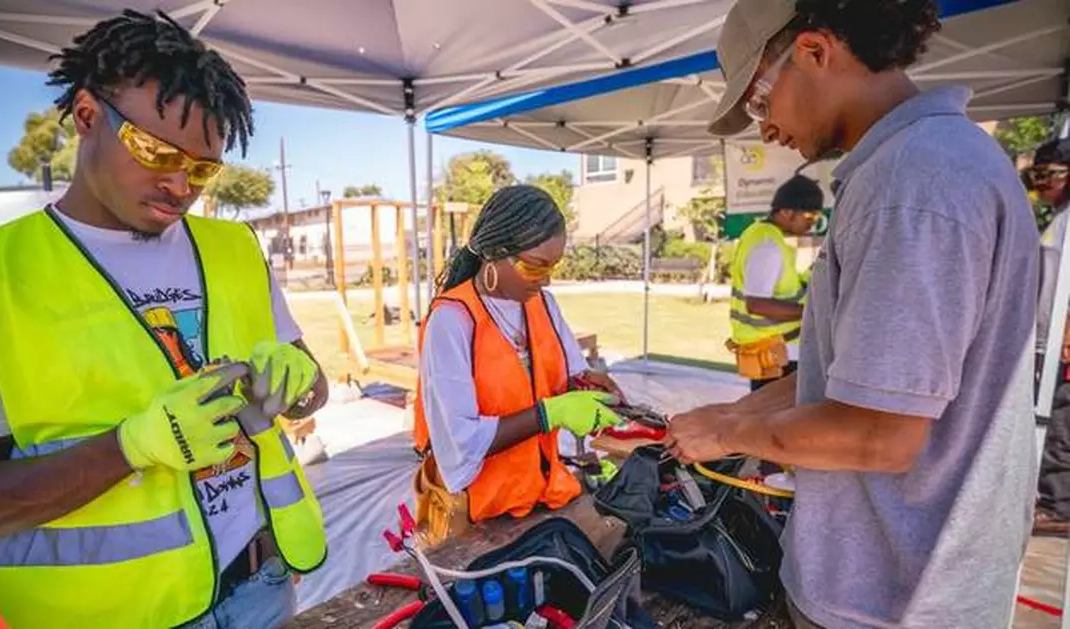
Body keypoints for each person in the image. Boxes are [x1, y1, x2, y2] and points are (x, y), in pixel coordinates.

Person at [0, 10, 329, 629]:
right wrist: (131, 447)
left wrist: (296, 382)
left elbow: (312, 389)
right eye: (155, 151)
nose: (180, 185)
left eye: (203, 168)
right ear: (87, 115)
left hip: (263, 582)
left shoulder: (234, 249)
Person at [664, 1, 1038, 628]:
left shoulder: (913, 186)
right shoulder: (925, 165)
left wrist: (728, 437)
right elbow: (848, 377)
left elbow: (878, 434)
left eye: (758, 102)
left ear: (813, 52)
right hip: (893, 584)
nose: (766, 131)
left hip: (892, 600)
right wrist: (732, 413)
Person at [413, 185, 623, 534]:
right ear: (494, 255)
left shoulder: (544, 305)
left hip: (543, 500)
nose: (545, 280)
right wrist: (550, 413)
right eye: (534, 267)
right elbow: (461, 439)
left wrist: (591, 387)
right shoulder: (452, 321)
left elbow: (570, 376)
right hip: (480, 516)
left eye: (553, 266)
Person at [729, 174, 823, 390]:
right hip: (777, 354)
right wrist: (811, 310)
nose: (812, 222)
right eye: (809, 215)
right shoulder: (767, 246)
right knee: (773, 420)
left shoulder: (768, 237)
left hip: (777, 351)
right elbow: (757, 304)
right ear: (787, 211)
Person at [1032, 138, 1070, 535]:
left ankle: (1059, 506)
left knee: (1059, 421)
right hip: (1051, 339)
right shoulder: (1060, 219)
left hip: (1060, 342)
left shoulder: (1066, 222)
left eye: (1048, 175)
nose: (1040, 185)